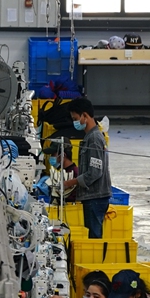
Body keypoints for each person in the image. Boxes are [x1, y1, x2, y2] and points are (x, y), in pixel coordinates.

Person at [62, 99, 112, 239]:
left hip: (96, 197)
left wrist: (69, 183)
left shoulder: (94, 139)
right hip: (93, 197)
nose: (74, 122)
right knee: (93, 236)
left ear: (85, 116)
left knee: (94, 239)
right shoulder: (90, 137)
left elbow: (95, 172)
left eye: (76, 119)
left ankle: (96, 261)